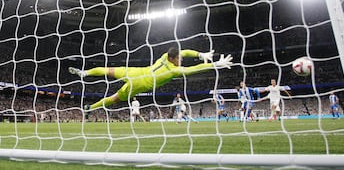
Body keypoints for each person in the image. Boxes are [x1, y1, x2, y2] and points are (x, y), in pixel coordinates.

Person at [68, 47, 233, 111]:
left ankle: (86, 73)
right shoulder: (174, 71)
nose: (181, 59)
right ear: (174, 59)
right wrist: (216, 64)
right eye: (179, 59)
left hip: (136, 72)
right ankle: (90, 108)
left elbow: (185, 52)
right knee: (114, 98)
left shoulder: (164, 56)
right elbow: (193, 69)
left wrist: (200, 54)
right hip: (139, 84)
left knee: (108, 70)